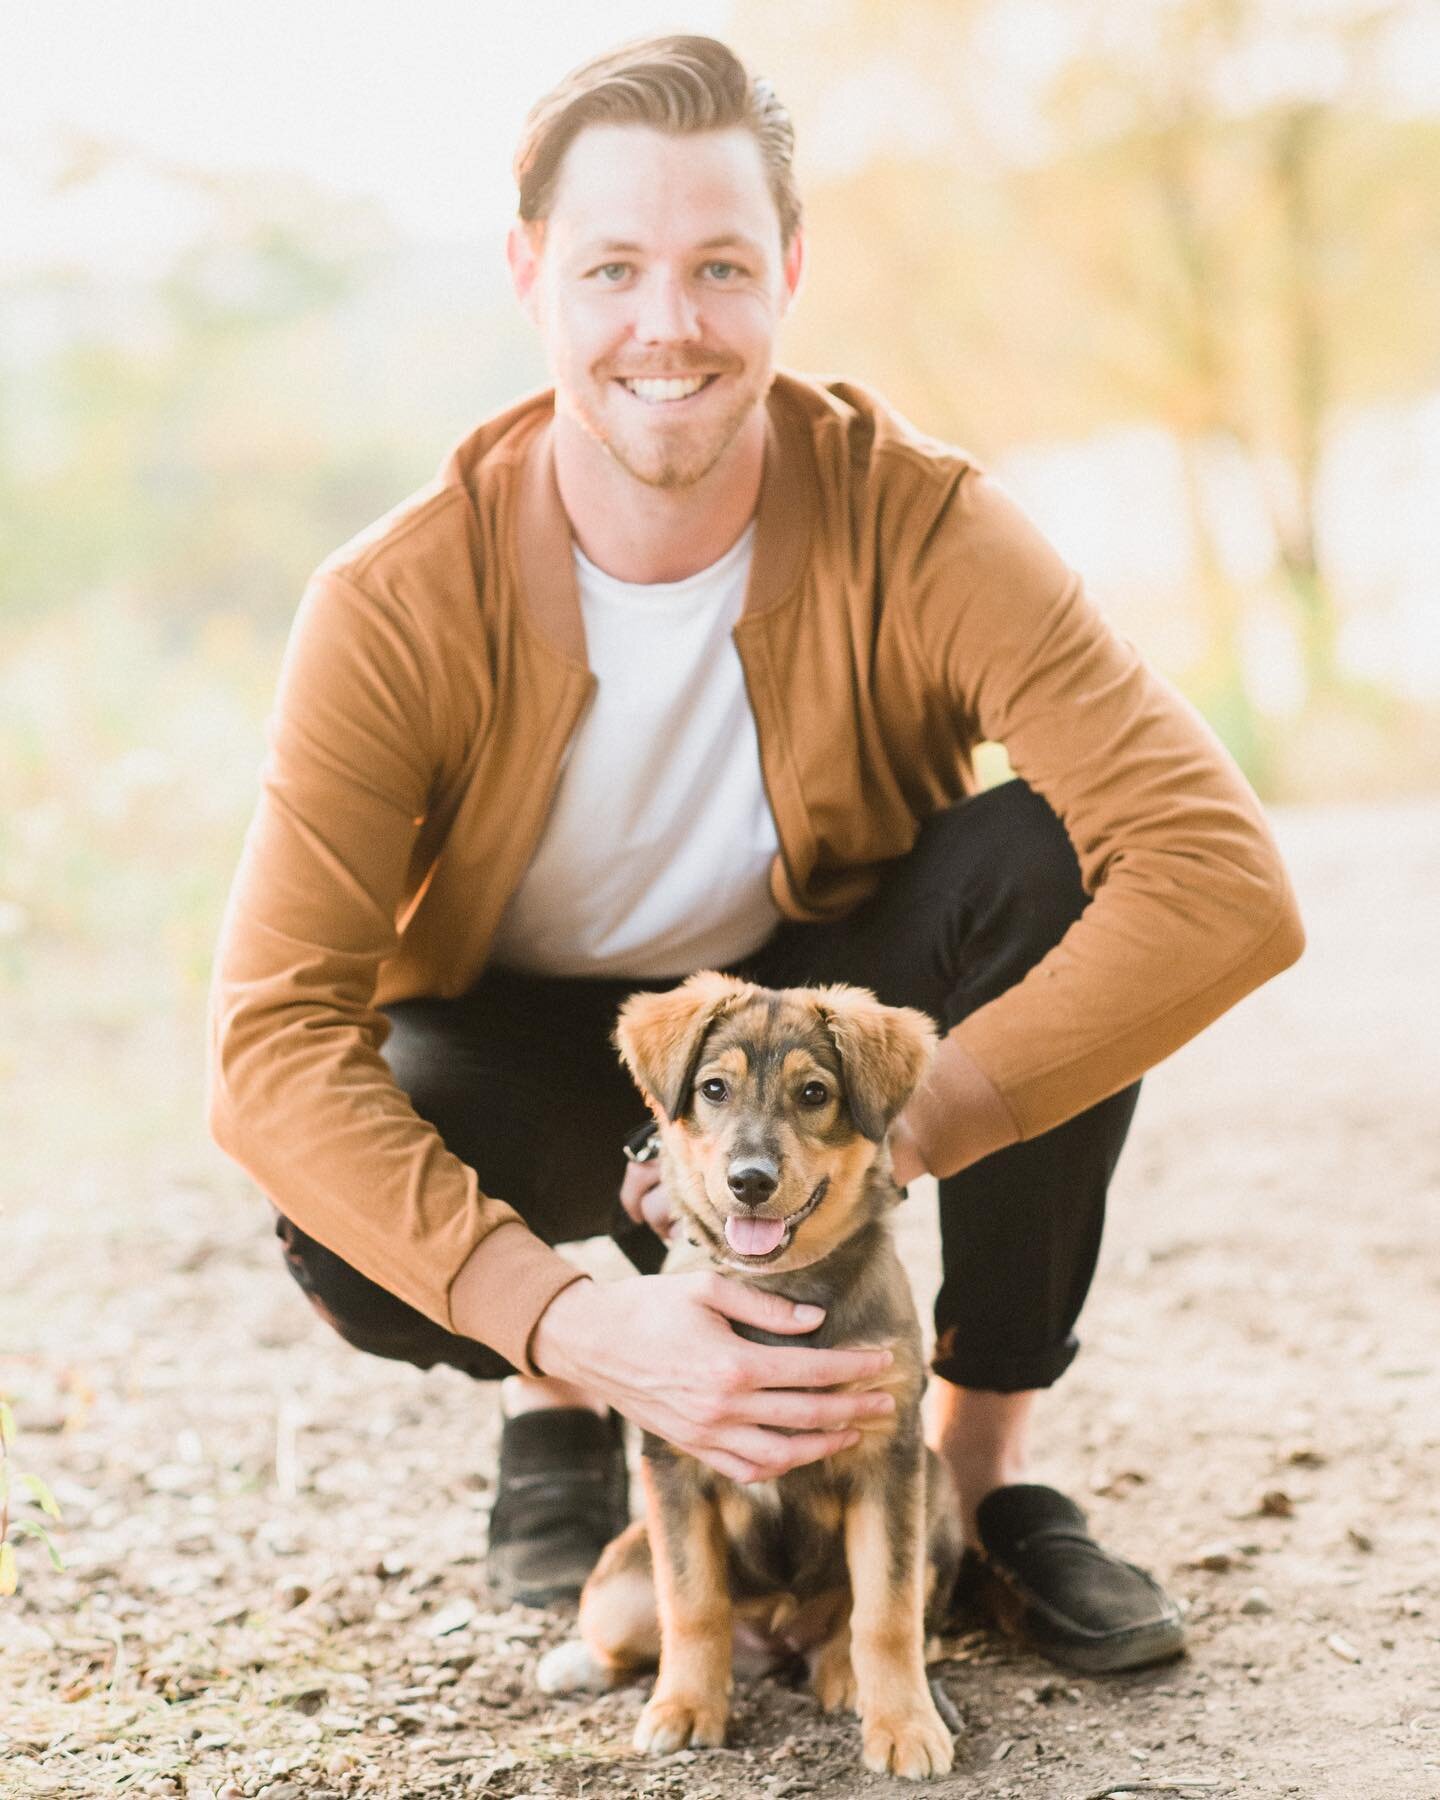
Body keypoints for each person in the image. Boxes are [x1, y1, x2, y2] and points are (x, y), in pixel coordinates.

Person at [208, 34, 1304, 1672]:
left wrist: (900, 1126)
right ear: (530, 277)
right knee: (351, 1181)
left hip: (830, 1029)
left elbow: (1221, 879)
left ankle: (972, 1478)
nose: (671, 322)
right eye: (614, 268)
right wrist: (577, 1320)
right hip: (554, 1051)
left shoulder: (925, 522)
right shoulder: (391, 604)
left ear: (788, 270)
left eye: (721, 265)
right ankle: (584, 1405)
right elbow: (267, 1045)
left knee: (1047, 861)